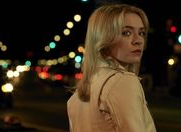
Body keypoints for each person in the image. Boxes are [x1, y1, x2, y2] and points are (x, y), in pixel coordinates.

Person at [67, 3, 157, 132]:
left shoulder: (80, 93)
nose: (138, 40)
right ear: (103, 37)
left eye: (141, 33)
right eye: (126, 32)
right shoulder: (123, 81)